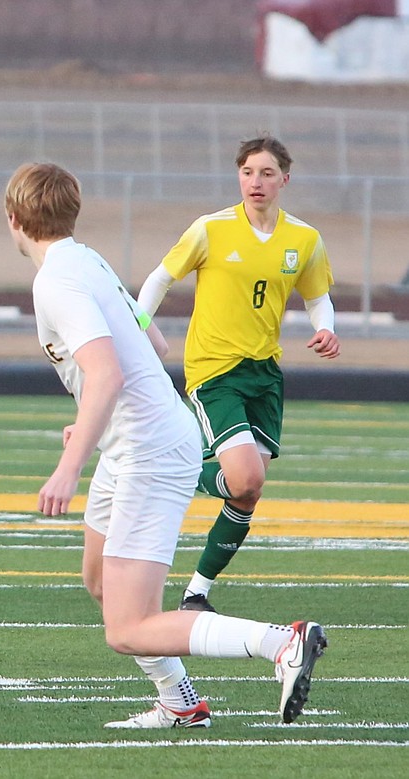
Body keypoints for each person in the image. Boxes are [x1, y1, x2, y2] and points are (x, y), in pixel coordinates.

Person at [4, 161, 326, 728]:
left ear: (13, 219)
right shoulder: (85, 258)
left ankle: (282, 643)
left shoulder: (56, 278)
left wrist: (68, 464)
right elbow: (152, 339)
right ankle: (182, 704)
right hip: (131, 445)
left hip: (148, 453)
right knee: (100, 579)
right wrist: (96, 427)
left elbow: (106, 375)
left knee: (128, 627)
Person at [136, 135, 340, 613]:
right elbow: (161, 277)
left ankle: (196, 594)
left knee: (248, 492)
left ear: (284, 180)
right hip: (214, 369)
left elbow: (316, 297)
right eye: (248, 172)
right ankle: (175, 472)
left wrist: (325, 328)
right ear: (238, 177)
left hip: (265, 373)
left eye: (267, 173)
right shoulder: (211, 229)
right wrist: (137, 327)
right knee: (245, 478)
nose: (256, 182)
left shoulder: (304, 239)